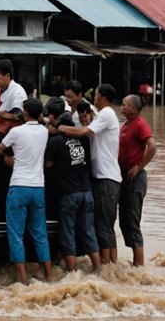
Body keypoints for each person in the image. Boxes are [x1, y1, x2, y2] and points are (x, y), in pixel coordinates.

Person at [51, 83, 121, 265]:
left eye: (96, 95)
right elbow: (89, 132)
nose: (93, 99)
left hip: (106, 176)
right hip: (98, 178)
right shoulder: (102, 115)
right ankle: (108, 266)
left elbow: (84, 132)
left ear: (103, 98)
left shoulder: (105, 113)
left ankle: (108, 266)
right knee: (100, 226)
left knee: (104, 226)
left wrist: (61, 129)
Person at [0, 98, 52, 284]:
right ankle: (49, 276)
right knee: (40, 235)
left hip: (19, 186)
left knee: (16, 234)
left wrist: (7, 159)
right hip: (38, 187)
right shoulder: (44, 132)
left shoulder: (16, 131)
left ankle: (22, 280)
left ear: (25, 112)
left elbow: (1, 148)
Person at [43, 97, 100, 273]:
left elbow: (48, 165)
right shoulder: (83, 139)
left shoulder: (55, 142)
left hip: (69, 194)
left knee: (68, 233)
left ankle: (72, 273)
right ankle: (99, 269)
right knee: (88, 231)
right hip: (87, 192)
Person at [118, 94, 157, 267]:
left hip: (135, 177)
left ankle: (140, 265)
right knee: (125, 220)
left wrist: (139, 167)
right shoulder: (125, 125)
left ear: (133, 108)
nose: (121, 106)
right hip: (124, 176)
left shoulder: (140, 124)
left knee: (132, 221)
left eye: (124, 104)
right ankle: (135, 262)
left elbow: (152, 146)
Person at [0, 59, 26, 142]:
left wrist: (0, 114)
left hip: (9, 135)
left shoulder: (18, 91)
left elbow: (19, 115)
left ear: (7, 75)